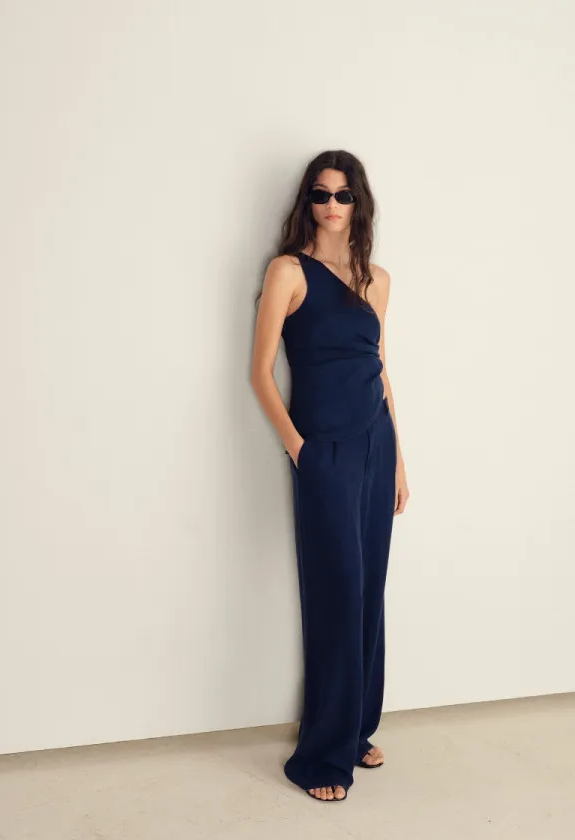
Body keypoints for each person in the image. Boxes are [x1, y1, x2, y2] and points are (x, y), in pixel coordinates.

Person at [251, 149, 409, 802]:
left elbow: (380, 367)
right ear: (307, 202)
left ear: (358, 202)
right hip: (325, 451)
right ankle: (321, 754)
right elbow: (259, 371)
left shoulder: (377, 279)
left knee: (368, 591)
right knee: (336, 592)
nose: (332, 205)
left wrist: (399, 460)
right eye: (321, 193)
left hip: (376, 444)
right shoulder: (288, 271)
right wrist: (299, 448)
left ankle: (355, 729)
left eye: (344, 195)